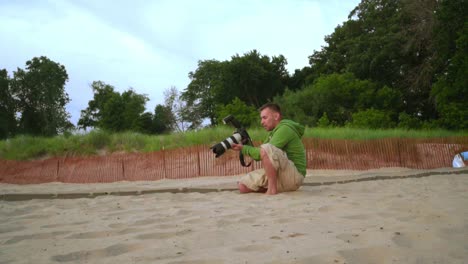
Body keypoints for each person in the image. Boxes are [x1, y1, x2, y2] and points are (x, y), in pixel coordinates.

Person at [231, 103, 306, 195]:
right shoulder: (272, 133)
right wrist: (244, 146)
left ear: (276, 116)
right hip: (281, 175)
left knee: (266, 148)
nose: (261, 122)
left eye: (264, 118)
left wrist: (244, 148)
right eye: (261, 118)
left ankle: (271, 190)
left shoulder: (285, 129)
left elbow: (264, 151)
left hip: (294, 175)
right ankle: (272, 188)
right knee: (243, 186)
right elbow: (259, 155)